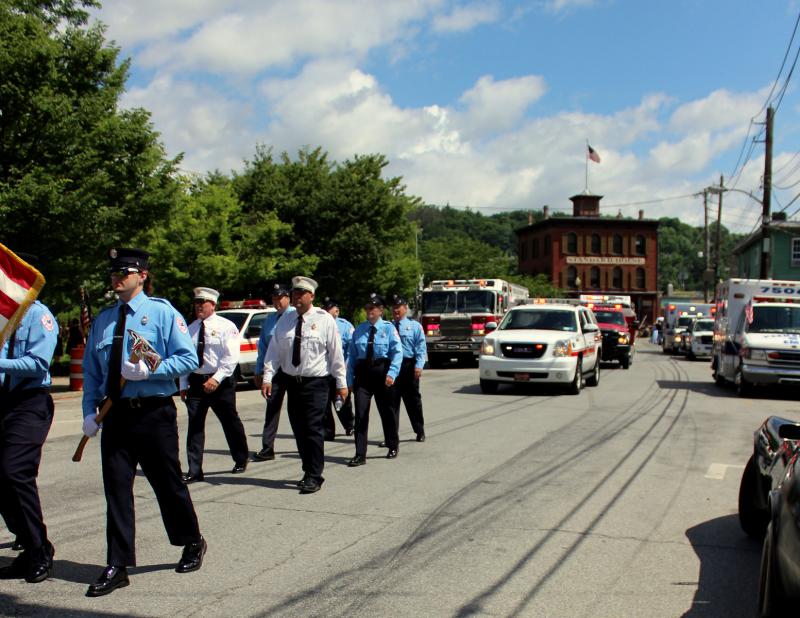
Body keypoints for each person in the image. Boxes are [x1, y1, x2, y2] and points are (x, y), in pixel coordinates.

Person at [81, 248, 205, 597]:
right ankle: (118, 564)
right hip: (116, 414)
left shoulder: (161, 313)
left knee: (167, 483)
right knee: (117, 489)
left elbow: (187, 359)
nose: (117, 277)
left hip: (153, 412)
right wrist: (88, 412)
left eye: (125, 271)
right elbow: (93, 371)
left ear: (143, 275)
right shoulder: (105, 319)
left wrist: (152, 369)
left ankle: (191, 540)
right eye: (114, 272)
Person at [0, 252, 58, 584]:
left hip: (29, 402)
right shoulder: (0, 317)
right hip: (2, 402)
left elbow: (38, 364)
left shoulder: (39, 316)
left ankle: (40, 550)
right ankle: (27, 543)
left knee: (13, 471)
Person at [261, 276, 347, 494]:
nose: (296, 297)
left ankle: (314, 475)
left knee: (313, 428)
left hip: (316, 383)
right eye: (294, 294)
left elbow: (336, 354)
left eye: (301, 293)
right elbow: (274, 351)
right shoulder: (286, 320)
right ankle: (308, 469)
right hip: (293, 383)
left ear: (312, 296)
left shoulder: (324, 319)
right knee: (299, 429)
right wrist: (267, 377)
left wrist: (341, 383)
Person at [179, 287, 249, 484]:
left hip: (221, 382)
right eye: (196, 303)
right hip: (196, 382)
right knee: (194, 426)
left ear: (213, 304)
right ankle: (194, 470)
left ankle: (241, 458)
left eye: (203, 303)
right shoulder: (190, 328)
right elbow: (186, 358)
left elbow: (231, 356)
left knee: (229, 421)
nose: (199, 307)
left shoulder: (227, 326)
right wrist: (183, 383)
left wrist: (216, 378)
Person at [346, 293, 402, 467]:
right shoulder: (359, 330)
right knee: (361, 414)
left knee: (387, 412)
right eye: (367, 308)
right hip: (363, 376)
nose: (369, 311)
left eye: (372, 308)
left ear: (380, 310)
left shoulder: (388, 328)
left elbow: (397, 352)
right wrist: (348, 380)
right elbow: (351, 357)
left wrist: (391, 374)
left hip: (382, 373)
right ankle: (360, 454)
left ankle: (392, 444)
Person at [252, 283, 295, 462]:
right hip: (275, 372)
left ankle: (305, 444)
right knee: (272, 409)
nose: (277, 302)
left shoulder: (296, 316)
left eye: (280, 298)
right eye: (274, 299)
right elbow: (263, 347)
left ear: (288, 298)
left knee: (297, 410)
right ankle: (267, 447)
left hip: (293, 370)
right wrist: (258, 370)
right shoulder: (270, 320)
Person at [389, 295, 427, 443]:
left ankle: (419, 430)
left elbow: (420, 347)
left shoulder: (415, 326)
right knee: (391, 403)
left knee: (413, 401)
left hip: (408, 366)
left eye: (398, 307)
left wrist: (419, 365)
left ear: (405, 308)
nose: (395, 310)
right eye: (393, 308)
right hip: (393, 367)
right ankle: (391, 436)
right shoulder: (388, 326)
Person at [321, 297, 354, 439]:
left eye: (330, 309)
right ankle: (328, 431)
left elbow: (351, 350)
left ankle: (349, 425)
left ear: (337, 310)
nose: (328, 312)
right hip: (324, 371)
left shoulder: (345, 326)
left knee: (342, 401)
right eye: (326, 309)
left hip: (340, 370)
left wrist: (346, 368)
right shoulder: (320, 324)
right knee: (324, 404)